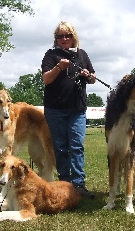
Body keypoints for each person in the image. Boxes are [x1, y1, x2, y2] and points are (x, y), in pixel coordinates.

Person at [41, 21, 96, 199]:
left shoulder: (82, 54)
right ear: (56, 39)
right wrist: (58, 67)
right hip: (55, 109)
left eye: (68, 35)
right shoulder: (51, 55)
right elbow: (46, 80)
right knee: (61, 147)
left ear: (74, 37)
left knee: (77, 146)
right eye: (60, 36)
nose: (64, 39)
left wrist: (89, 76)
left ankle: (79, 184)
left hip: (77, 109)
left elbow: (93, 78)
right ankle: (64, 184)